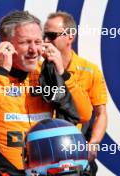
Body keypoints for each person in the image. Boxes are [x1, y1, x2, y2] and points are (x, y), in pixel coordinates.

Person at [0, 11, 92, 176]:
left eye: (38, 42)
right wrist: (0, 73)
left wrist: (63, 75)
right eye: (25, 42)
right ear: (6, 46)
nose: (34, 50)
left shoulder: (46, 71)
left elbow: (84, 115)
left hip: (42, 170)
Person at [44, 11, 108, 175]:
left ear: (70, 37)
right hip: (43, 153)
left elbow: (101, 113)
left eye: (51, 36)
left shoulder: (90, 70)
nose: (45, 41)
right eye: (44, 35)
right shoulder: (36, 68)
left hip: (75, 153)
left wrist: (93, 145)